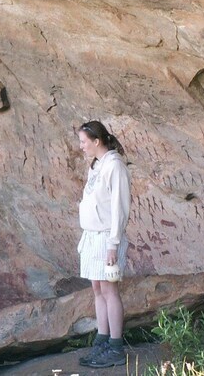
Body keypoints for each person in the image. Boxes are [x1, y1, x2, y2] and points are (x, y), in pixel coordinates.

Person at [76, 121, 131, 369]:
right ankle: (103, 339)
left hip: (107, 238)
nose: (81, 146)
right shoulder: (97, 165)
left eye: (83, 142)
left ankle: (116, 347)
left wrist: (113, 244)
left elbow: (120, 207)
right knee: (97, 290)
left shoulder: (114, 166)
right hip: (92, 236)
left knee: (110, 292)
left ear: (97, 141)